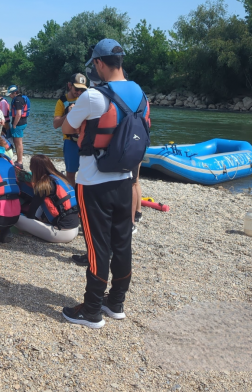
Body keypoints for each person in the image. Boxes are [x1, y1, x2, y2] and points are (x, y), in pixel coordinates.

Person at [60, 38, 150, 329]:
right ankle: (116, 303)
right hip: (125, 179)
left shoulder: (93, 97)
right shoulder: (141, 94)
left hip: (93, 181)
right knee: (122, 243)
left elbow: (66, 127)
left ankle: (92, 310)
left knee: (97, 245)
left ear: (99, 63)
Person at [15, 154, 80, 243]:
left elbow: (31, 213)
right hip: (75, 228)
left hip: (62, 233)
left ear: (33, 168)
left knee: (16, 218)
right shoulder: (61, 178)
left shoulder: (43, 185)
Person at [53, 73, 88, 185]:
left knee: (87, 173)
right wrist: (68, 113)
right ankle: (73, 198)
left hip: (85, 141)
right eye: (77, 89)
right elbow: (55, 124)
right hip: (70, 142)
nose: (79, 92)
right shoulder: (61, 102)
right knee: (70, 173)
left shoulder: (87, 99)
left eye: (82, 90)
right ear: (69, 85)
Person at [7, 85, 30, 167]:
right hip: (22, 123)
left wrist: (14, 125)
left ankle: (19, 161)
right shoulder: (21, 98)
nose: (9, 96)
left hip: (19, 124)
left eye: (10, 94)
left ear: (15, 93)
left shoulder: (17, 100)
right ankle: (18, 160)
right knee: (17, 143)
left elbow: (19, 114)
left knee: (18, 143)